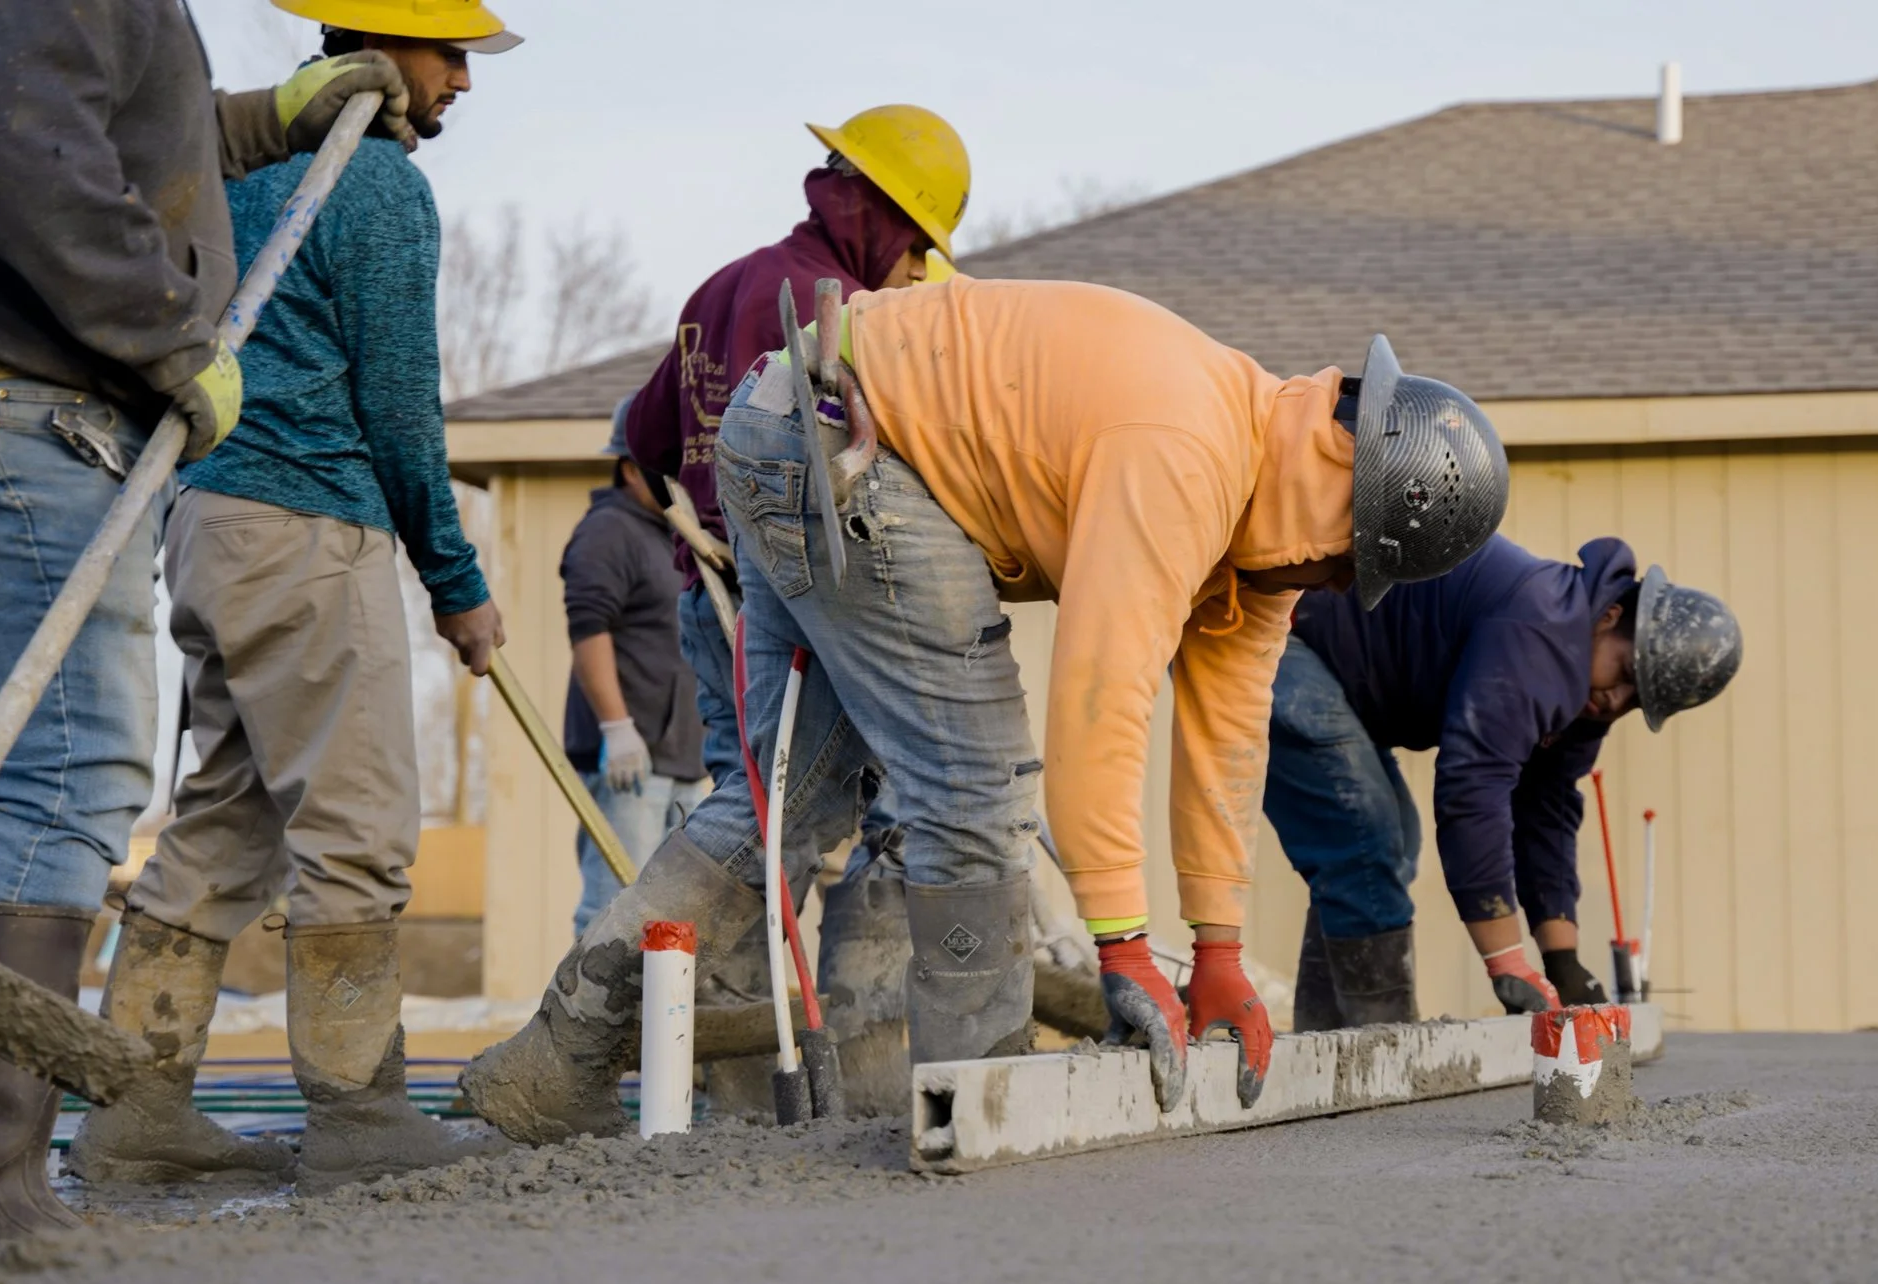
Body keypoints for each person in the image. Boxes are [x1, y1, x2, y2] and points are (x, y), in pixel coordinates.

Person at [459, 285, 1510, 1141]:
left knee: (792, 800)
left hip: (791, 418)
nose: (1335, 580)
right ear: (1342, 474)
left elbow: (1226, 736)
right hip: (848, 437)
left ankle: (552, 1064)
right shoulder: (1187, 449)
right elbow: (1104, 691)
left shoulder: (1259, 510)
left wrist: (1220, 945)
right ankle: (980, 1100)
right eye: (1348, 553)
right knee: (975, 783)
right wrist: (1123, 939)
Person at [0, 0, 411, 1243]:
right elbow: (23, 150)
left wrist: (261, 123)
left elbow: (99, 137)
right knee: (65, 772)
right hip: (20, 403)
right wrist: (167, 335)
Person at [66, 0, 523, 1197]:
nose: (463, 83)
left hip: (208, 523)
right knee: (356, 831)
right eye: (451, 54)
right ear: (382, 47)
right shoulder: (371, 186)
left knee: (227, 820)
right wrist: (456, 580)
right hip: (312, 526)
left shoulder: (241, 180)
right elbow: (401, 402)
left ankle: (135, 1109)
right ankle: (361, 1114)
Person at [617, 105, 967, 1111]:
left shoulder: (716, 290)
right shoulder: (846, 313)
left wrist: (705, 512)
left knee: (756, 813)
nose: (915, 271)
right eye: (917, 248)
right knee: (793, 822)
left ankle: (719, 1078)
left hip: (710, 601)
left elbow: (639, 438)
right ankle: (852, 1066)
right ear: (884, 216)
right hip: (803, 617)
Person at [1271, 537, 1740, 1027]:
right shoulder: (1544, 627)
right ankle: (1375, 1045)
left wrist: (1563, 961)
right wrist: (1507, 961)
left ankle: (1326, 1045)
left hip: (1331, 667)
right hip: (1284, 636)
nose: (1614, 700)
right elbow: (1471, 785)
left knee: (1389, 846)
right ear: (1608, 617)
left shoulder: (1585, 687)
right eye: (1623, 672)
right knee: (1368, 838)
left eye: (1636, 700)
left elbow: (1547, 806)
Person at [562, 398, 707, 934]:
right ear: (629, 466)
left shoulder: (673, 534)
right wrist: (617, 729)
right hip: (628, 759)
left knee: (667, 917)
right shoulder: (609, 530)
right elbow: (588, 628)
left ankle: (656, 1021)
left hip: (682, 760)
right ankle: (591, 1019)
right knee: (614, 907)